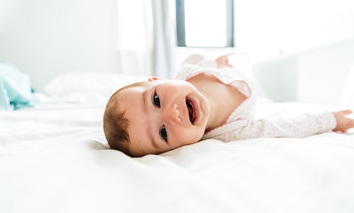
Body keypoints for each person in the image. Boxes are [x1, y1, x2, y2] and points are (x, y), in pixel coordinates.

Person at [103, 54, 354, 157]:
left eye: (156, 100)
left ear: (157, 79)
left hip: (228, 74)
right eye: (163, 133)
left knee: (221, 64)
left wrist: (218, 64)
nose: (172, 113)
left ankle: (225, 66)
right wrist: (329, 119)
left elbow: (202, 58)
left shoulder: (190, 70)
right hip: (251, 92)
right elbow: (284, 126)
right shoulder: (230, 132)